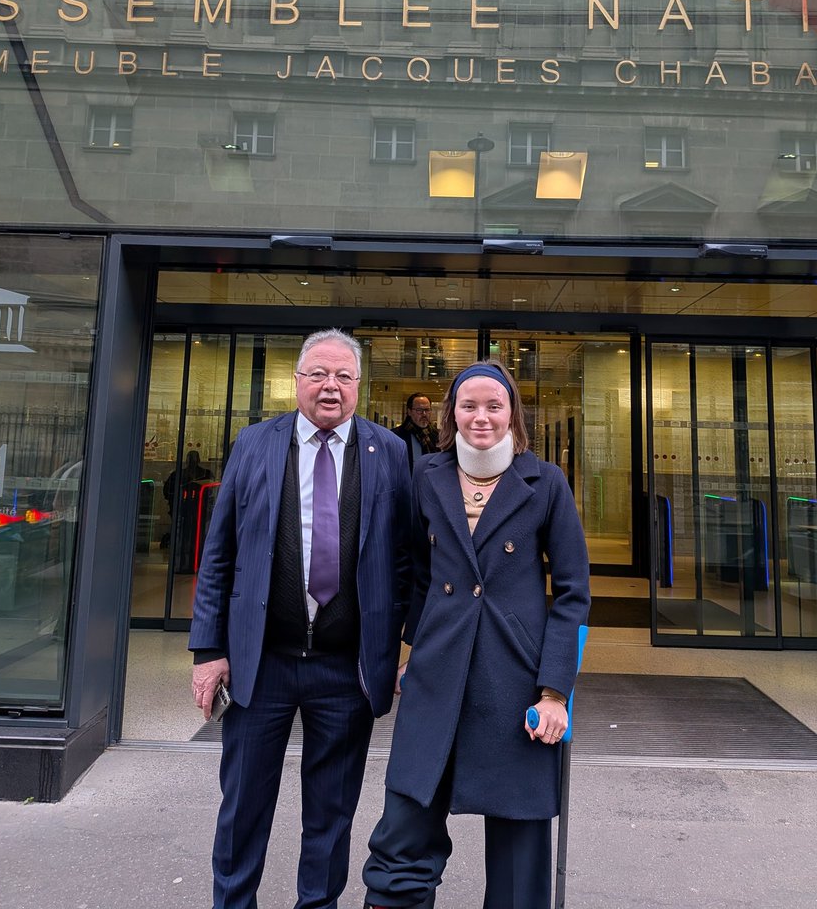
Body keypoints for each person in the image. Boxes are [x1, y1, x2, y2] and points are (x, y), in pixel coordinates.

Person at [189, 327, 412, 909]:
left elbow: (403, 561)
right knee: (242, 807)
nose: (330, 386)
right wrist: (208, 650)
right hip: (260, 663)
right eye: (318, 374)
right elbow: (220, 553)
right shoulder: (254, 444)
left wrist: (397, 652)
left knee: (331, 815)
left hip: (344, 669)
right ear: (297, 382)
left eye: (343, 376)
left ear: (360, 385)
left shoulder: (388, 452)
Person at [362, 361, 590, 909]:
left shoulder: (545, 482)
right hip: (435, 675)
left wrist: (555, 691)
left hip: (515, 680)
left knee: (519, 851)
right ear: (451, 414)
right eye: (469, 405)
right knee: (403, 830)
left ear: (513, 413)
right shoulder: (427, 476)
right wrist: (412, 653)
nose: (481, 416)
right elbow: (420, 574)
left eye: (494, 405)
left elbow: (573, 595)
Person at [391, 393, 439, 471]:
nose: (424, 414)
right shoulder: (396, 436)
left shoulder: (436, 435)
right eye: (419, 410)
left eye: (427, 410)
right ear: (409, 412)